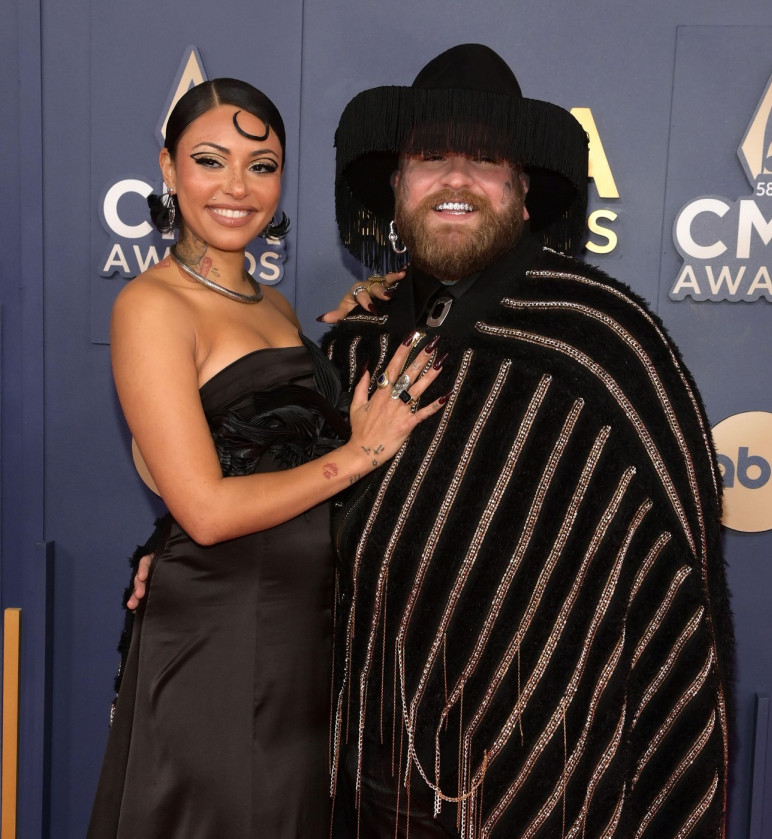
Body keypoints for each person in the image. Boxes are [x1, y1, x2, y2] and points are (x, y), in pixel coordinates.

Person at [319, 44, 733, 838]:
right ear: (399, 187)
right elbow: (275, 504)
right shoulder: (354, 341)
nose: (455, 181)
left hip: (546, 777)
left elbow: (674, 589)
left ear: (522, 191)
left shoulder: (606, 340)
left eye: (484, 160)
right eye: (431, 158)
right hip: (357, 772)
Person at [87, 77, 445, 839]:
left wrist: (358, 323)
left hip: (299, 636)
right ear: (168, 167)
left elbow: (259, 443)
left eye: (262, 164)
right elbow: (209, 510)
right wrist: (359, 455)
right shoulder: (149, 306)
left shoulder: (275, 305)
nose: (237, 188)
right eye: (210, 160)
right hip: (220, 632)